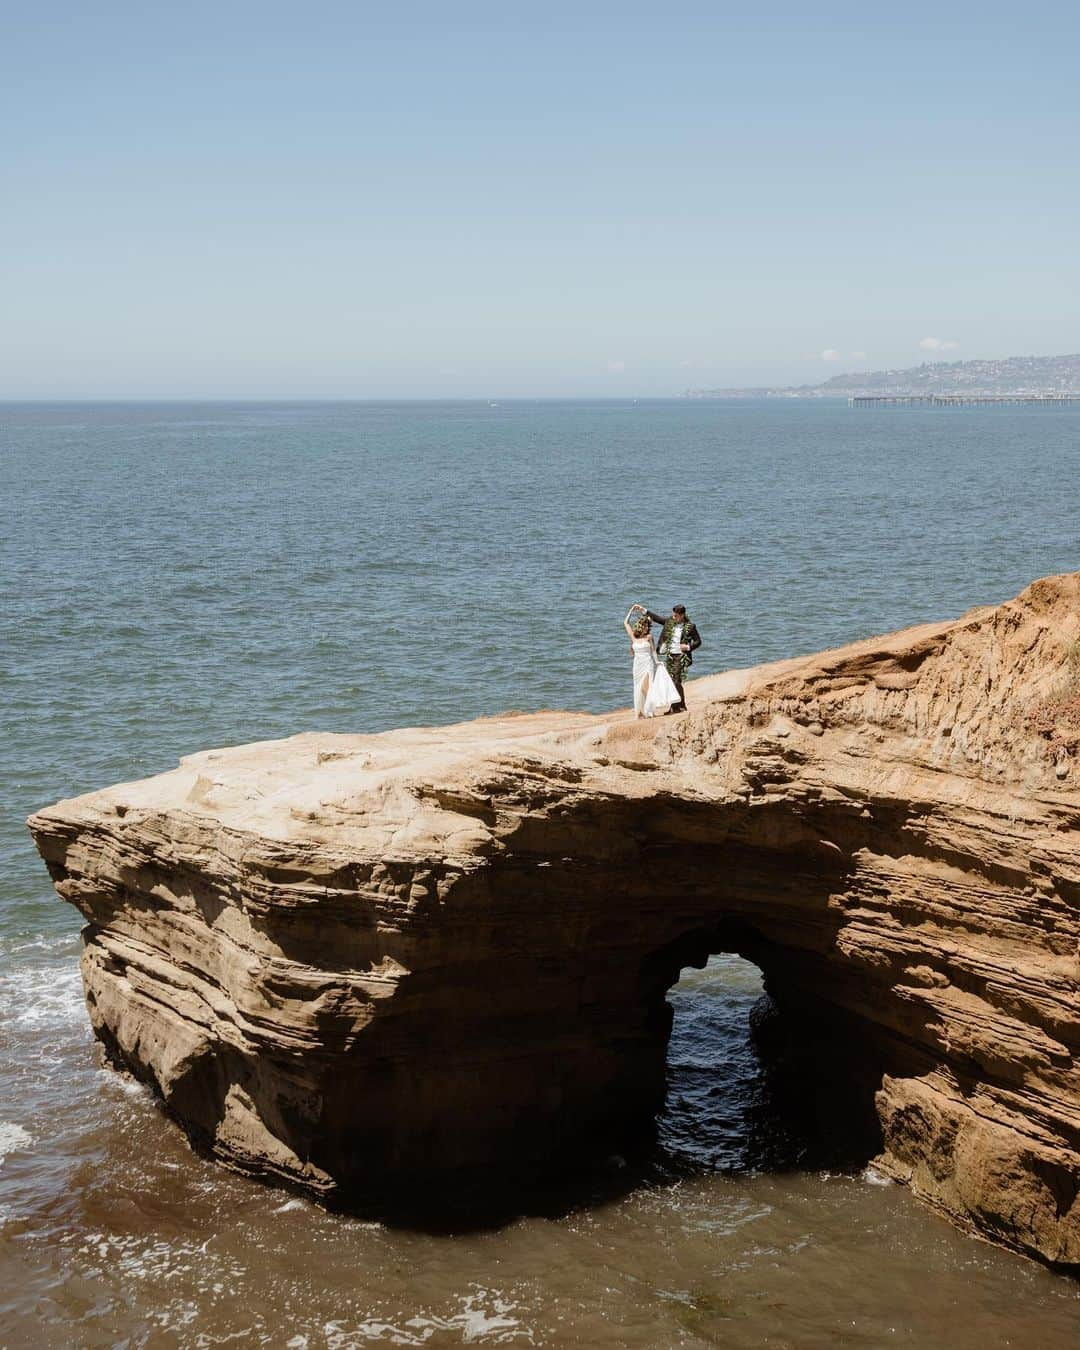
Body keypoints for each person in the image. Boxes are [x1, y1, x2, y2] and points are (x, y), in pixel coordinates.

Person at [641, 602, 701, 713]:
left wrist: (688, 646)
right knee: (671, 681)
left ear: (682, 615)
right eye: (673, 615)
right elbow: (658, 619)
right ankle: (676, 707)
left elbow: (698, 641)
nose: (673, 617)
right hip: (670, 655)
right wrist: (644, 611)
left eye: (676, 616)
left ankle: (679, 706)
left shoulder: (690, 627)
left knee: (676, 680)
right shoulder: (670, 622)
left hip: (681, 656)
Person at [623, 607, 679, 717]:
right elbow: (626, 623)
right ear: (641, 627)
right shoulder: (634, 638)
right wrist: (631, 611)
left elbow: (653, 651)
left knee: (647, 687)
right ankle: (640, 712)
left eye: (648, 626)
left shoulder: (649, 637)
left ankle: (649, 710)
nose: (647, 628)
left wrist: (657, 662)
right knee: (638, 688)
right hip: (637, 666)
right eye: (645, 626)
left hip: (648, 664)